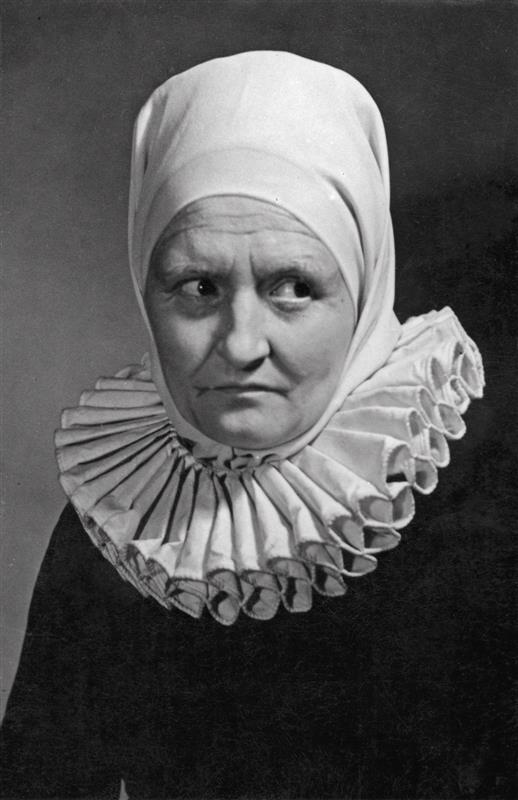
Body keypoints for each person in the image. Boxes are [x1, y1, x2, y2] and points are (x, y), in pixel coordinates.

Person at [0, 52, 489, 799]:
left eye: (293, 286)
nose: (240, 344)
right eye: (198, 286)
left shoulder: (489, 502)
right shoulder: (122, 521)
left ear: (363, 287)